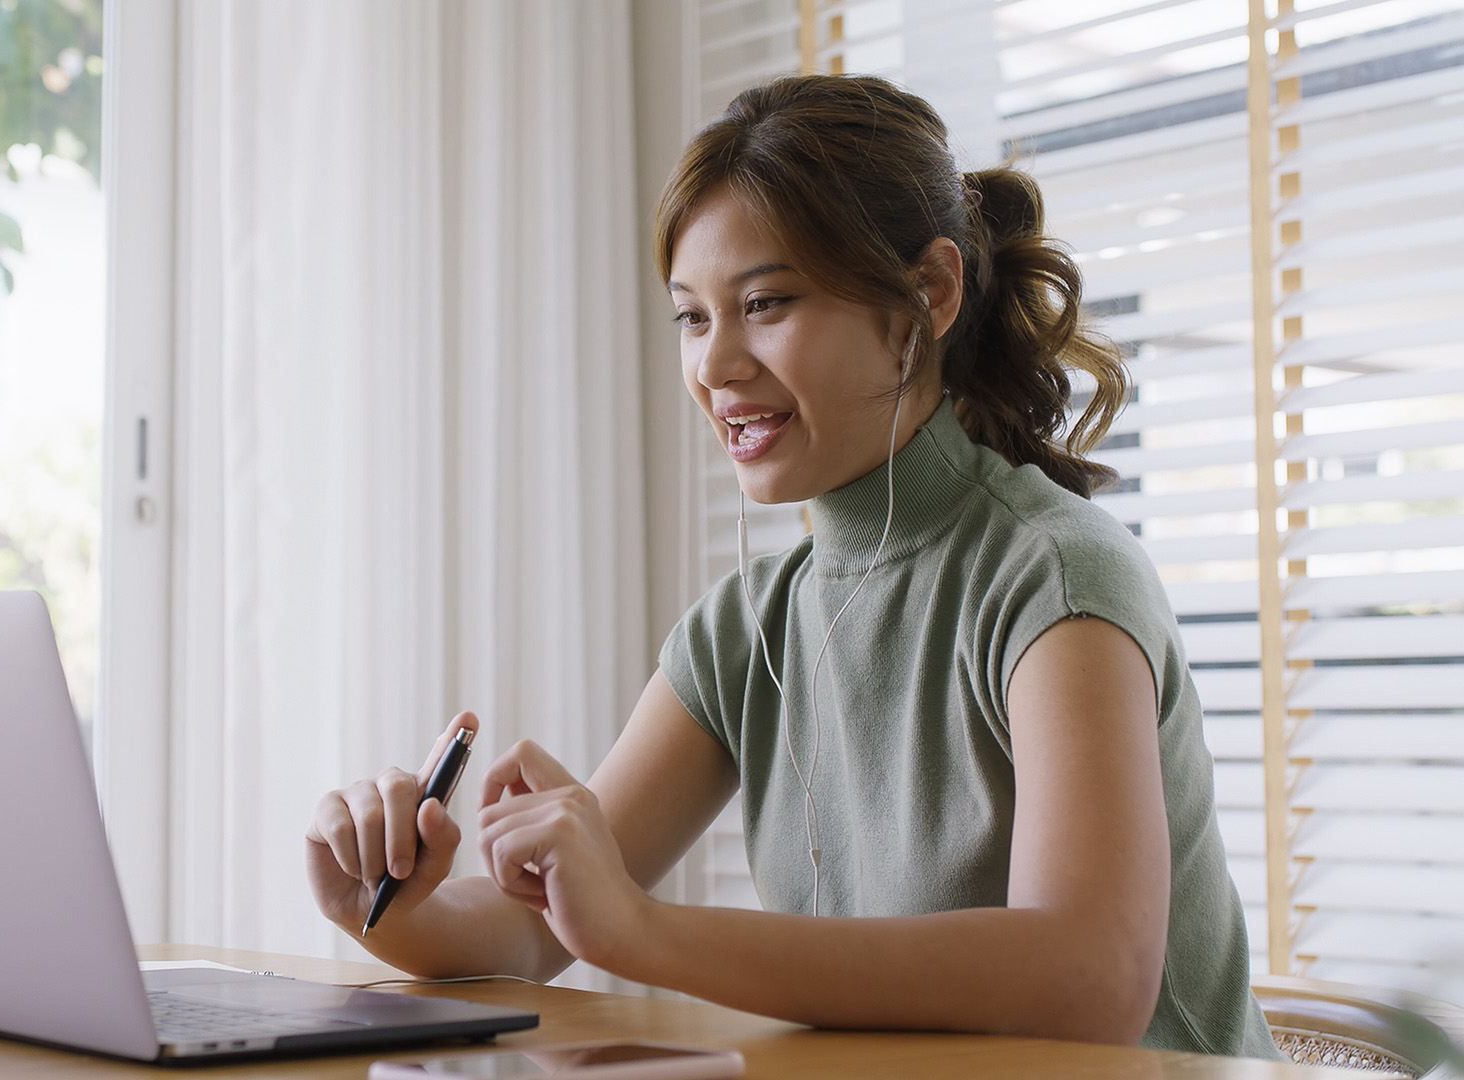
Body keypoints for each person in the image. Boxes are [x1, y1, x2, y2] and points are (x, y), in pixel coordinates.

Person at [304, 74, 1281, 1059]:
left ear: (929, 294)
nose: (716, 366)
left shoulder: (1056, 580)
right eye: (692, 316)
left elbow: (1092, 979)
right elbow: (528, 930)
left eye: (765, 302)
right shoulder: (746, 628)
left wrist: (642, 929)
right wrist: (387, 905)